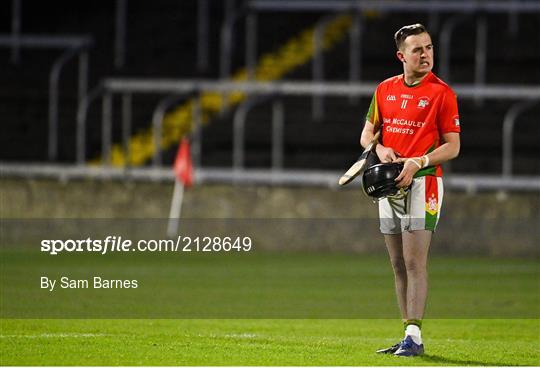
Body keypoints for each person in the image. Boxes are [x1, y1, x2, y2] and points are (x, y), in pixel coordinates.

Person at [360, 23, 461, 357]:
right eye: (418, 50)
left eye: (429, 47)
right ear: (401, 55)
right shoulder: (384, 90)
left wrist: (418, 161)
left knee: (415, 261)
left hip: (424, 182)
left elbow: (453, 146)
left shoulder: (442, 93)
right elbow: (367, 134)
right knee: (397, 263)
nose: (426, 55)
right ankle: (407, 333)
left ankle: (415, 337)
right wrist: (381, 150)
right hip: (390, 184)